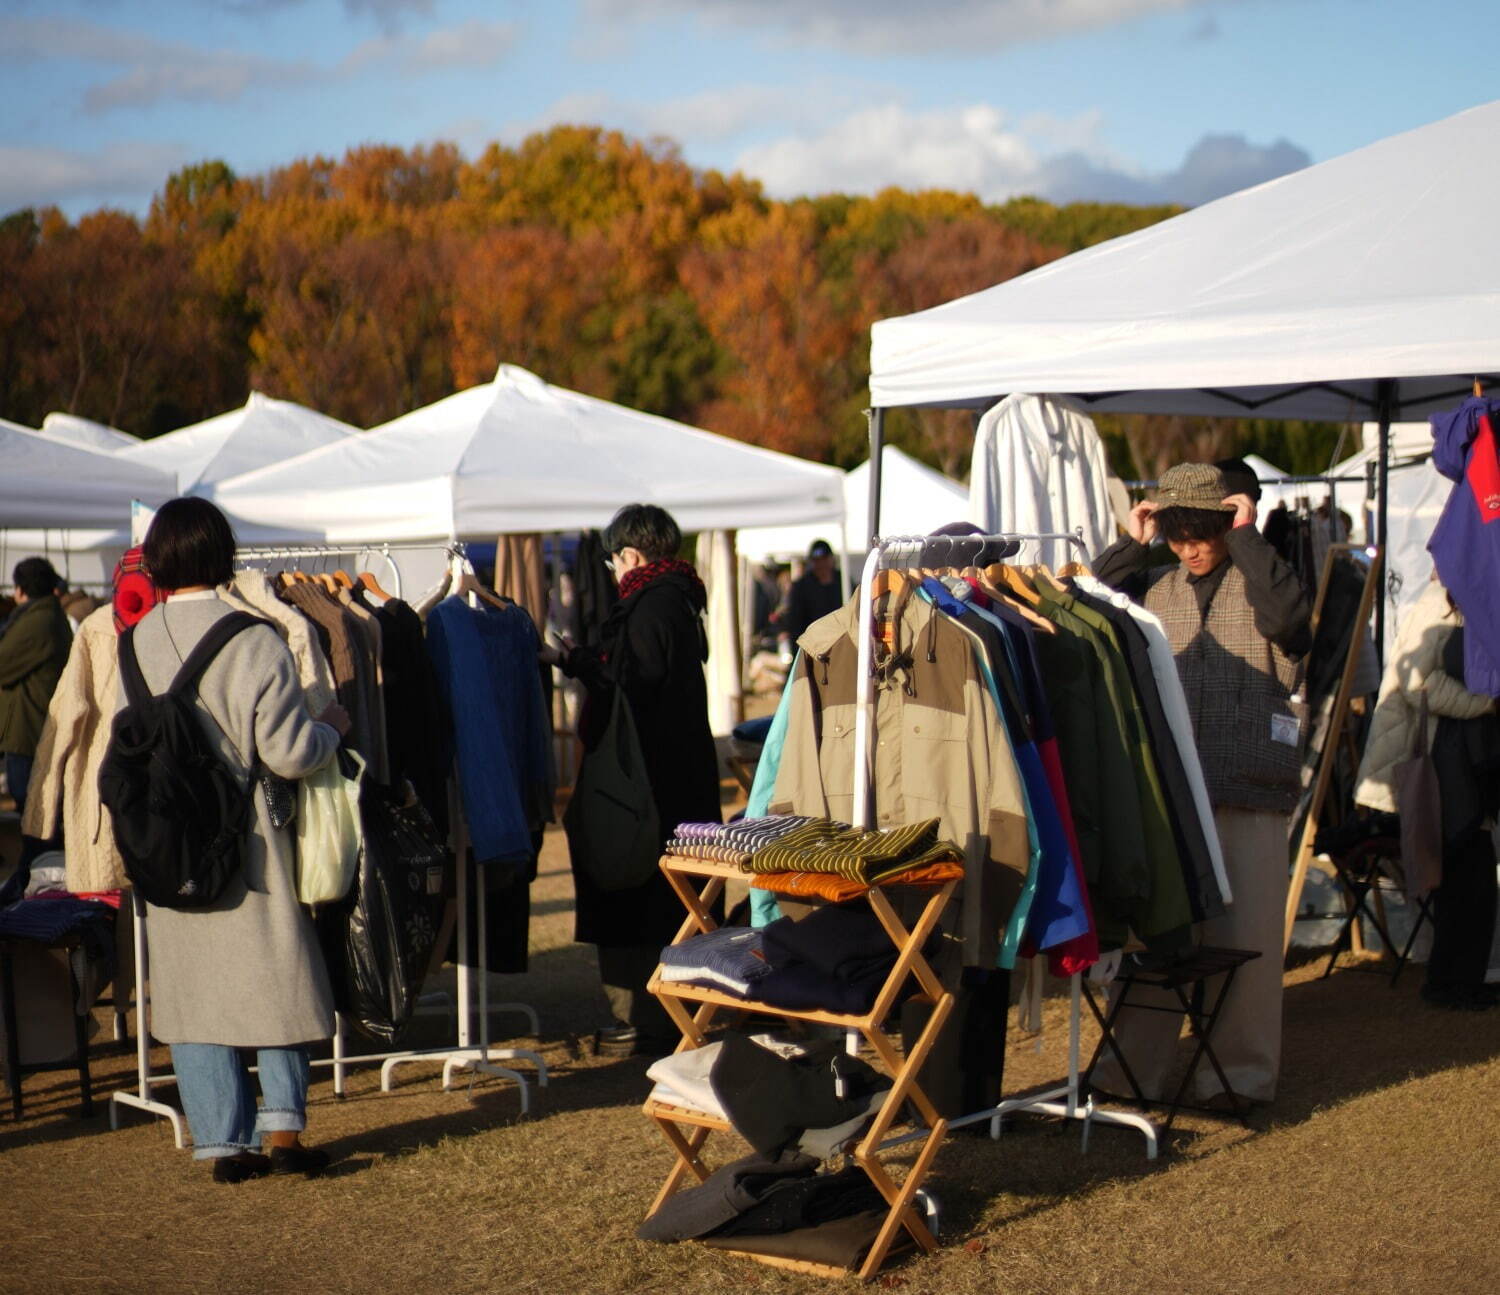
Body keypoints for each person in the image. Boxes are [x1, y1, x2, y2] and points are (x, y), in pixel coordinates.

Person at [129, 498, 350, 1182]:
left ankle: (223, 1142)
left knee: (193, 989)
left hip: (170, 837)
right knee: (277, 975)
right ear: (223, 554)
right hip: (247, 833)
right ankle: (282, 1133)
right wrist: (333, 727)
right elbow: (286, 752)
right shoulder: (256, 638)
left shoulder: (132, 639)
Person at [1089, 462, 1311, 1105]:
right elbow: (1082, 603)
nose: (1189, 545)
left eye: (1200, 530)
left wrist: (1246, 534)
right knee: (1161, 939)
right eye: (1177, 531)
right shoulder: (1156, 588)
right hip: (1173, 795)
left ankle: (1238, 1080)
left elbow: (1294, 622)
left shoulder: (1264, 580)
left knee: (1248, 944)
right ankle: (1126, 1074)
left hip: (1253, 786)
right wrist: (1134, 542)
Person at [546, 504, 721, 1054]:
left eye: (614, 559)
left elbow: (631, 694)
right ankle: (668, 1015)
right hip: (675, 779)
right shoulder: (680, 600)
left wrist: (572, 661)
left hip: (645, 785)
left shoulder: (649, 608)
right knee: (671, 898)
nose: (614, 571)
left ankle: (652, 1021)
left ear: (631, 555)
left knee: (640, 896)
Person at [1355, 577, 1499, 1010]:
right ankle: (1450, 983)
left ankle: (1459, 980)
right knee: (1464, 874)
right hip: (1441, 762)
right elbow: (1420, 681)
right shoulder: (1438, 598)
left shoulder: (1474, 596)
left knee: (1469, 875)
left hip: (1465, 761)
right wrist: (1487, 703)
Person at [0, 557, 73, 817]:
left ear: (21, 589)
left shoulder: (38, 620)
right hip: (33, 725)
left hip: (30, 729)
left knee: (33, 806)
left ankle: (38, 856)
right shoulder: (47, 615)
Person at [777, 539, 842, 658]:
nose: (821, 564)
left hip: (840, 647)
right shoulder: (802, 587)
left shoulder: (843, 582)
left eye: (824, 559)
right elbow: (795, 623)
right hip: (812, 649)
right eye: (817, 561)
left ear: (831, 559)